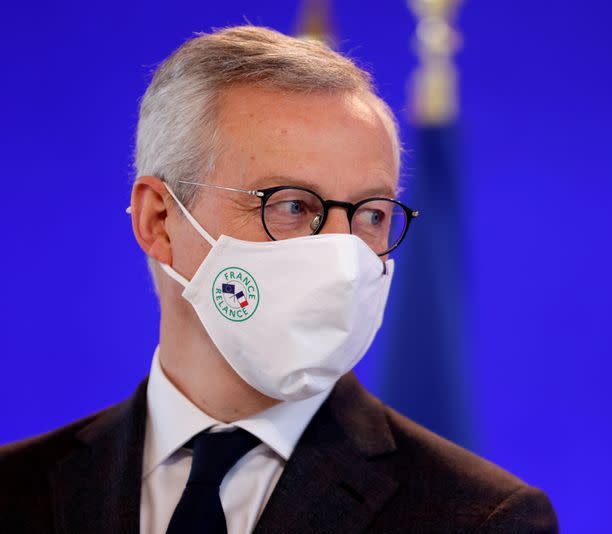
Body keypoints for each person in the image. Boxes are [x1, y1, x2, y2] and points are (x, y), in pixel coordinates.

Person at [0, 26, 557, 533]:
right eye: (291, 205)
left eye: (371, 214)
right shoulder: (14, 491)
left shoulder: (479, 518)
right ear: (159, 220)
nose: (342, 254)